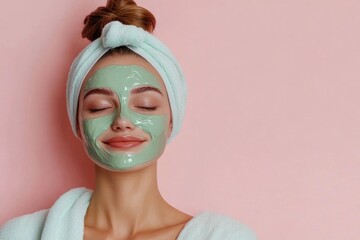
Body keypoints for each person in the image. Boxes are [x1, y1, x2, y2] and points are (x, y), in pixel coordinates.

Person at [0, 0, 256, 239]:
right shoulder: (22, 235)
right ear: (77, 123)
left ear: (171, 121)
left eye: (145, 105)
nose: (122, 120)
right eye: (99, 107)